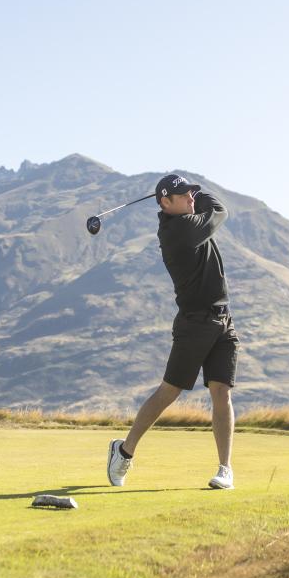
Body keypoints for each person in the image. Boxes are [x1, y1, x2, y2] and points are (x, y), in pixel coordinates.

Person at [107, 174, 240, 489]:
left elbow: (210, 208)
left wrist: (192, 190)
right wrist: (204, 191)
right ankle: (123, 452)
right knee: (170, 391)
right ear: (165, 203)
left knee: (221, 391)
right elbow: (220, 209)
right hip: (194, 323)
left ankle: (225, 469)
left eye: (192, 193)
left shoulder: (188, 218)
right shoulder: (179, 230)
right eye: (184, 195)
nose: (192, 198)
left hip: (222, 318)